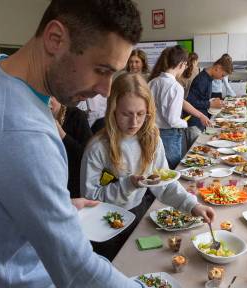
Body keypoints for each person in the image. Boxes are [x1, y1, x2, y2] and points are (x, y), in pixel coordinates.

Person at [0, 1, 184, 288]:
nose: (105, 90)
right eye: (101, 69)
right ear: (55, 38)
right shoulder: (25, 135)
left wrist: (54, 206)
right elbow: (77, 272)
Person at [81, 73, 215, 259]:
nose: (134, 122)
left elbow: (164, 182)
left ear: (149, 111)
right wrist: (129, 185)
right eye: (126, 114)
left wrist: (192, 206)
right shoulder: (97, 149)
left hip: (138, 214)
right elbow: (90, 200)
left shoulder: (151, 138)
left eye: (140, 114)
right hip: (104, 226)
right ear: (112, 110)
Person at [148, 46, 210, 168]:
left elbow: (180, 102)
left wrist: (200, 115)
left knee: (158, 168)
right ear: (181, 64)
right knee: (173, 168)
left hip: (153, 132)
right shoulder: (176, 87)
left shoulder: (153, 82)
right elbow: (172, 121)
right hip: (169, 135)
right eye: (186, 65)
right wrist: (184, 123)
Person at [50, 96, 93, 198]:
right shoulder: (36, 119)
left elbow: (88, 156)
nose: (49, 101)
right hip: (51, 183)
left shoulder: (77, 116)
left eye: (51, 96)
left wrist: (63, 135)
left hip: (73, 186)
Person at [186, 54, 234, 131]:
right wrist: (210, 104)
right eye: (222, 75)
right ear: (217, 68)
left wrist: (213, 101)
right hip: (195, 122)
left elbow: (201, 97)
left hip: (201, 119)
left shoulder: (209, 78)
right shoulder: (202, 80)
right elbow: (190, 102)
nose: (221, 78)